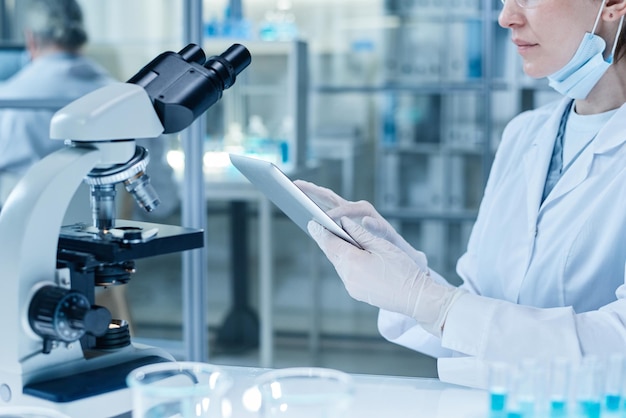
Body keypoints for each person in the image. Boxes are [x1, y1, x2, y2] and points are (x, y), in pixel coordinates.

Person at [295, 0, 626, 389]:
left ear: (614, 5)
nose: (507, 17)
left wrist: (431, 301)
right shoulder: (525, 134)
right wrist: (407, 279)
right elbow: (479, 318)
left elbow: (617, 348)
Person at [0, 0, 113, 204]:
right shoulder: (125, 101)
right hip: (108, 229)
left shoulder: (7, 100)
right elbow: (163, 200)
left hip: (20, 231)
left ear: (31, 39)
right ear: (80, 37)